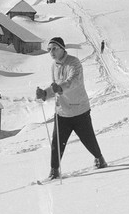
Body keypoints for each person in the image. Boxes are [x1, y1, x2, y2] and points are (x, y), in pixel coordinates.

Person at [35, 36, 107, 180]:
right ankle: (54, 171)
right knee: (56, 143)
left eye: (54, 49)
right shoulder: (54, 66)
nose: (51, 52)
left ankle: (99, 159)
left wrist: (59, 88)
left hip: (79, 109)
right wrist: (45, 93)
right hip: (62, 112)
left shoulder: (74, 63)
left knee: (88, 139)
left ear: (62, 49)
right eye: (49, 49)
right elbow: (54, 86)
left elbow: (73, 82)